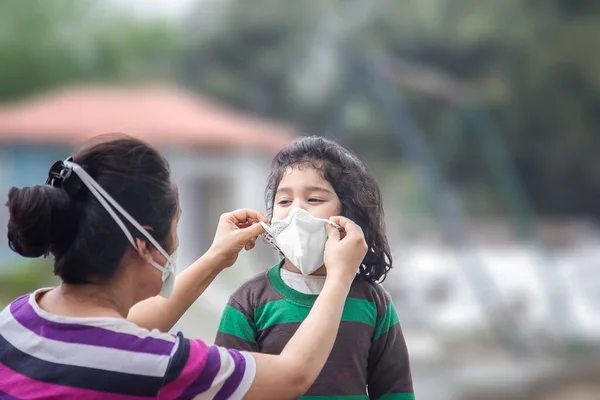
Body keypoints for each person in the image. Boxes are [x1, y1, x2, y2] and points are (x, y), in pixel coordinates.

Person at [0, 134, 368, 400]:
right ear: (145, 246)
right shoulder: (157, 363)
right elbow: (292, 376)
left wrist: (216, 258)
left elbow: (123, 331)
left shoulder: (16, 320)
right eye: (176, 225)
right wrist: (340, 276)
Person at [215, 136, 414, 399]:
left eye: (315, 199)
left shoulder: (374, 303)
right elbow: (227, 389)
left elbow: (394, 391)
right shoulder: (249, 301)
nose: (296, 211)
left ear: (349, 215)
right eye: (284, 202)